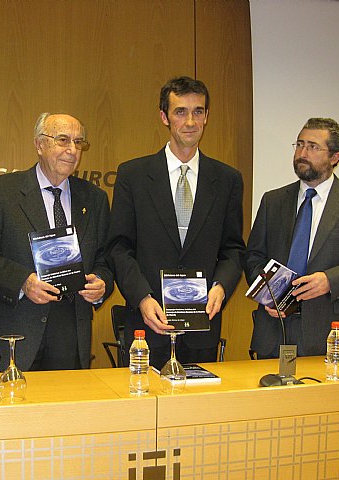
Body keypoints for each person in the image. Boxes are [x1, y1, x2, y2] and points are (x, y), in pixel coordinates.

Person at [107, 76, 245, 369]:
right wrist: (142, 298)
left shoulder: (227, 179)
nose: (190, 121)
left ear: (207, 116)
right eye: (180, 111)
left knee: (197, 411)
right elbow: (120, 248)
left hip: (202, 326)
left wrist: (221, 286)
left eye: (198, 111)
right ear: (164, 117)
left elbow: (233, 249)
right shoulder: (133, 175)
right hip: (148, 322)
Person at [0, 113, 114, 371]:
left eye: (78, 142)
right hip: (16, 329)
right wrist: (23, 281)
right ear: (39, 144)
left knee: (67, 409)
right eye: (63, 140)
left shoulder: (94, 199)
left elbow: (105, 259)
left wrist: (102, 284)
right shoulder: (1, 192)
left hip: (71, 333)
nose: (72, 150)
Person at [244, 117, 339, 358]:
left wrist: (329, 280)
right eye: (299, 144)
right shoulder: (273, 200)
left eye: (313, 147)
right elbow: (254, 257)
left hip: (330, 331)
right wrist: (269, 294)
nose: (302, 153)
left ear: (335, 157)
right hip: (274, 328)